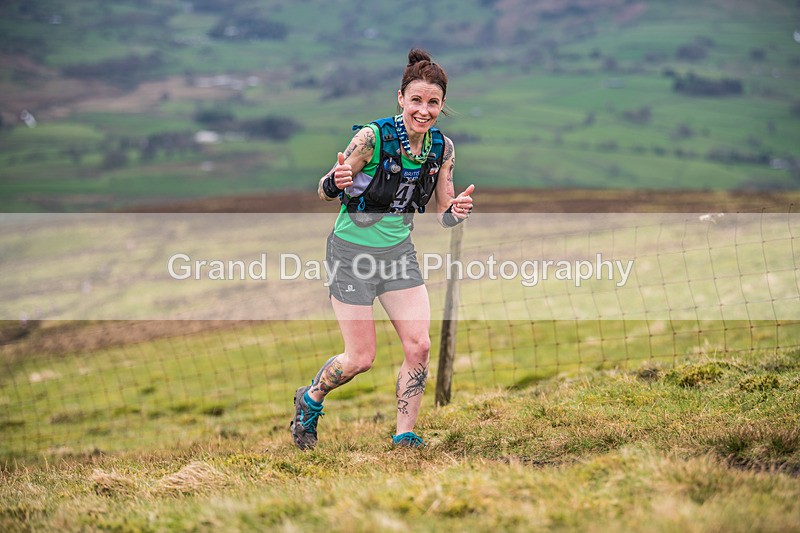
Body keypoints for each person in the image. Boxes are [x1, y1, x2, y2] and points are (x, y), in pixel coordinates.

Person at [290, 48, 474, 450]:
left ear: (442, 106)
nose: (423, 111)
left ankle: (404, 435)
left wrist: (456, 211)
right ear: (401, 98)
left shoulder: (443, 149)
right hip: (349, 255)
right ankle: (311, 397)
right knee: (360, 359)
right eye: (416, 100)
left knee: (420, 345)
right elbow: (323, 189)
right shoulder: (371, 139)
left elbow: (442, 213)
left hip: (397, 256)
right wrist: (335, 181)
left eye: (433, 103)